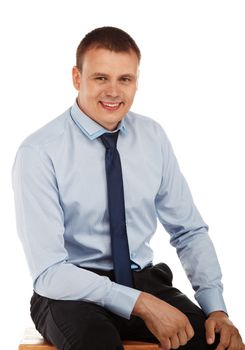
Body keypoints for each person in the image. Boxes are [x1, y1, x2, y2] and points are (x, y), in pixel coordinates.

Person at [12, 26, 244, 350]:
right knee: (99, 344)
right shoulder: (39, 152)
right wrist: (139, 303)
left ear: (136, 81)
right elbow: (50, 271)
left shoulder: (152, 137)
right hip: (71, 291)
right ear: (77, 78)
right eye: (100, 78)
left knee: (216, 343)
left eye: (125, 79)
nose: (113, 91)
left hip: (142, 280)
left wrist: (217, 308)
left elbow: (188, 231)